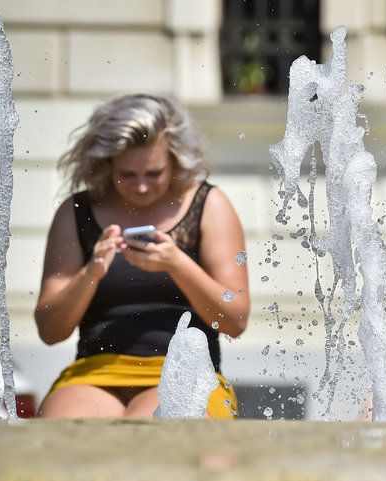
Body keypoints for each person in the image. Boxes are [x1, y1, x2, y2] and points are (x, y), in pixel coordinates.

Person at [34, 94, 250, 419]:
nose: (142, 187)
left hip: (185, 373)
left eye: (153, 173)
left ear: (175, 161)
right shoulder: (76, 211)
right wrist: (91, 273)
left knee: (156, 435)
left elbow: (235, 320)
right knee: (67, 438)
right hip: (94, 374)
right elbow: (50, 331)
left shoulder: (209, 204)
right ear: (105, 164)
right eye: (128, 174)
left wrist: (176, 263)